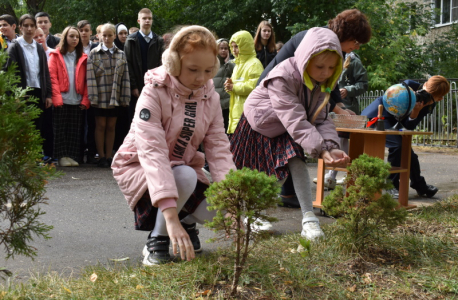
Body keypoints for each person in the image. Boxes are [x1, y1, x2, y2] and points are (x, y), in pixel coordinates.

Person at [112, 25, 235, 265]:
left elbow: (219, 149)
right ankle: (157, 239)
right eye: (193, 70)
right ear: (173, 64)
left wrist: (232, 200)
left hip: (181, 168)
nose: (201, 78)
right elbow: (153, 153)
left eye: (209, 70)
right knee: (186, 176)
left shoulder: (211, 97)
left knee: (219, 211)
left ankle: (187, 222)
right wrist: (170, 217)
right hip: (139, 166)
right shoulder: (153, 93)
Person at [230, 27, 350, 240]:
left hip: (287, 124)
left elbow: (321, 119)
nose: (325, 72)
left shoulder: (322, 84)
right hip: (260, 123)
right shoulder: (282, 76)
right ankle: (252, 213)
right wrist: (321, 150)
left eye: (332, 67)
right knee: (259, 173)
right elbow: (294, 118)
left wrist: (331, 147)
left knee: (294, 158)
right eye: (320, 66)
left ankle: (309, 219)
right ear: (305, 59)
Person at [260, 9, 372, 208]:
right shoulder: (318, 41)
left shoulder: (329, 44)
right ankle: (267, 198)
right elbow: (316, 81)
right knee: (284, 144)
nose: (357, 48)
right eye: (356, 42)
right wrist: (336, 110)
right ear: (347, 36)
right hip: (274, 97)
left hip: (289, 98)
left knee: (290, 145)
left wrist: (338, 106)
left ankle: (286, 194)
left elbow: (328, 82)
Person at [362, 76, 450, 198]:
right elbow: (391, 95)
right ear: (424, 84)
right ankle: (391, 185)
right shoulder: (408, 85)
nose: (423, 96)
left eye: (429, 96)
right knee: (398, 146)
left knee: (407, 150)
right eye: (425, 92)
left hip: (395, 121)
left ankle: (420, 186)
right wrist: (408, 97)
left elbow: (408, 128)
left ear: (439, 99)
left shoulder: (428, 104)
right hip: (379, 115)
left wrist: (415, 112)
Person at [315, 51, 368, 189]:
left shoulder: (354, 61)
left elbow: (363, 84)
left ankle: (340, 175)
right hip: (331, 106)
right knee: (335, 137)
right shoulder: (331, 57)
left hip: (347, 107)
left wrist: (348, 90)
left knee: (343, 139)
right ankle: (332, 176)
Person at [5, 14, 52, 162]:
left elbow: (45, 72)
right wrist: (15, 95)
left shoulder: (38, 47)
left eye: (32, 25)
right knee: (22, 126)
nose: (30, 29)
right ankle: (21, 159)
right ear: (20, 27)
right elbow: (9, 73)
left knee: (37, 126)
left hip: (37, 91)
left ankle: (34, 158)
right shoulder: (15, 47)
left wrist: (48, 94)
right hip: (22, 93)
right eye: (26, 25)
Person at [87, 23, 130, 168]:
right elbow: (90, 77)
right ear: (99, 36)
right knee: (100, 125)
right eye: (104, 35)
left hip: (115, 96)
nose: (106, 38)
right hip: (100, 95)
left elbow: (125, 77)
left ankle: (109, 155)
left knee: (111, 126)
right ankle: (101, 156)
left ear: (114, 36)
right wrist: (93, 97)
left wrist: (125, 97)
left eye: (110, 35)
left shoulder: (121, 54)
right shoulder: (94, 53)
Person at [48, 26, 90, 167]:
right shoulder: (55, 55)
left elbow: (86, 81)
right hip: (62, 98)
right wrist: (57, 97)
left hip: (76, 98)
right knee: (60, 129)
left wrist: (85, 99)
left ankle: (71, 155)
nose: (75, 39)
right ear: (65, 37)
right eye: (71, 36)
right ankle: (61, 156)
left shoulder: (83, 57)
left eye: (77, 37)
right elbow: (52, 78)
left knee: (74, 129)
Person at [124, 8, 164, 122]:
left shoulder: (159, 41)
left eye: (150, 18)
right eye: (144, 18)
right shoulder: (131, 40)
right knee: (135, 117)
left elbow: (161, 64)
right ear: (138, 21)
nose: (147, 21)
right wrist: (134, 86)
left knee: (153, 117)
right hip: (136, 86)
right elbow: (128, 64)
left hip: (154, 86)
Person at [224, 30, 263, 134]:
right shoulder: (237, 65)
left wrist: (234, 87)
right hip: (237, 112)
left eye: (236, 46)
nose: (234, 50)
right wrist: (229, 87)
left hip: (248, 114)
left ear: (245, 46)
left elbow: (255, 85)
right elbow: (236, 87)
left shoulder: (254, 64)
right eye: (232, 47)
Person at [78, 20, 99, 164]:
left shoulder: (97, 47)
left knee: (93, 123)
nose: (84, 33)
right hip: (78, 90)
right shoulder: (73, 47)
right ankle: (79, 153)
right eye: (81, 30)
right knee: (79, 123)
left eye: (86, 30)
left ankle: (92, 152)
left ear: (91, 32)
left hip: (93, 89)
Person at [113, 22, 130, 151]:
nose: (124, 36)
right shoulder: (114, 49)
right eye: (121, 33)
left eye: (126, 33)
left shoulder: (130, 47)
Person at [213, 38, 234, 131]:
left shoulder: (230, 65)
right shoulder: (212, 65)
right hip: (216, 104)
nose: (223, 50)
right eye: (221, 48)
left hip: (227, 104)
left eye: (226, 48)